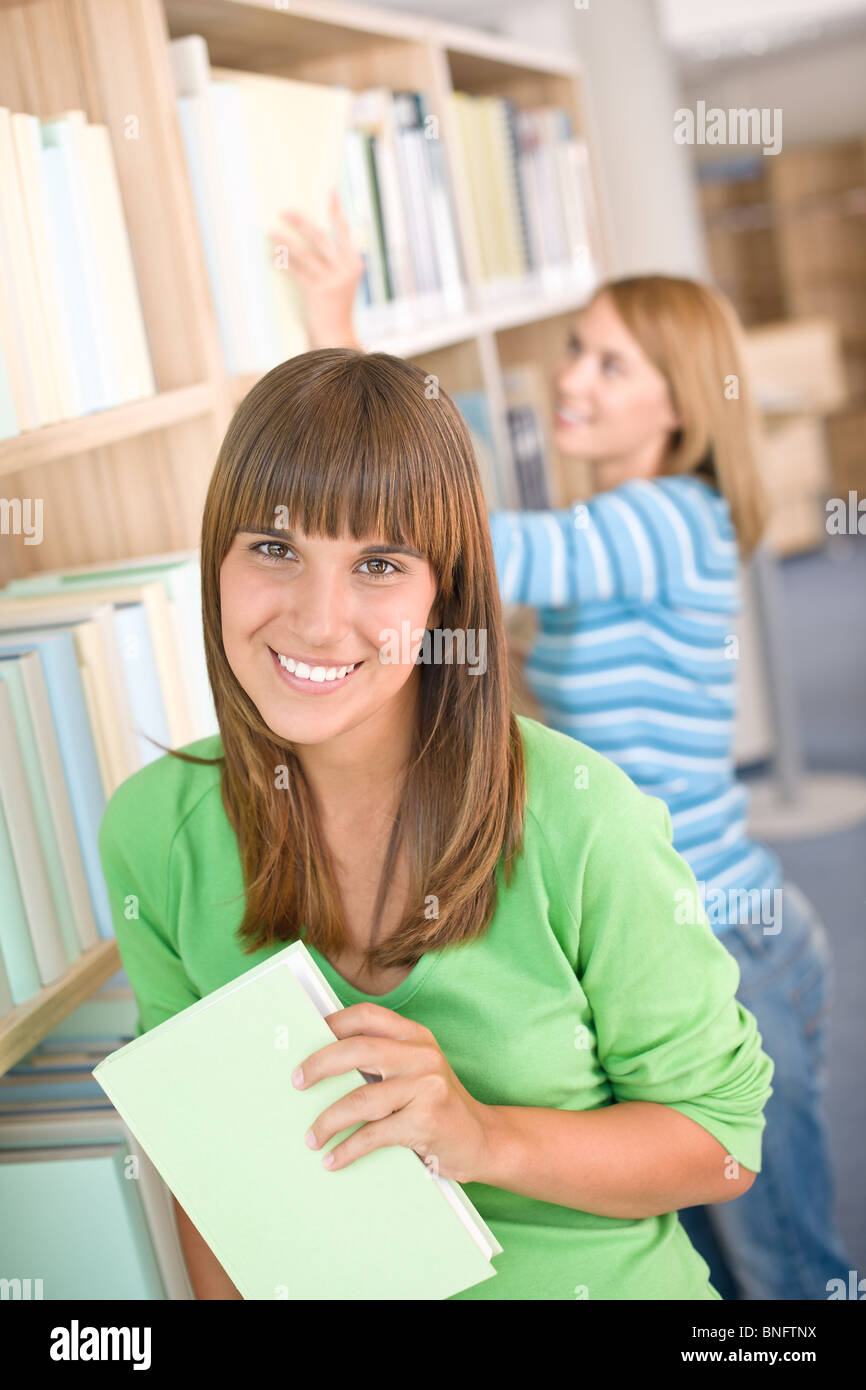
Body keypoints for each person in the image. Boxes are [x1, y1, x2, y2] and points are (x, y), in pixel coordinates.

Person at [98, 346, 774, 1301]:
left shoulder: (585, 821)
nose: (320, 619)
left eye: (378, 563)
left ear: (442, 595)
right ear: (215, 559)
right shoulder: (151, 832)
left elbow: (719, 1150)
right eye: (276, 548)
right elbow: (209, 1172)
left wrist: (483, 1136)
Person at [276, 204, 853, 1301]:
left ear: (680, 401)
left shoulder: (666, 518)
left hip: (724, 931)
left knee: (781, 1272)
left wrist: (338, 337)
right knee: (711, 1262)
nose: (570, 378)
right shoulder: (627, 524)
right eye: (576, 348)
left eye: (608, 361)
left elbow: (469, 546)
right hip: (664, 925)